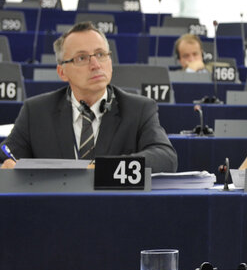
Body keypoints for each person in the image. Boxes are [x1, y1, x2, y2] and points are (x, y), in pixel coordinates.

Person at [0, 21, 177, 173]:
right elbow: (6, 155)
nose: (95, 65)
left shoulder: (138, 109)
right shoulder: (37, 111)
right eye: (82, 58)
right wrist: (5, 165)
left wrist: (103, 168)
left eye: (101, 55)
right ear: (62, 72)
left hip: (114, 208)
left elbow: (165, 158)